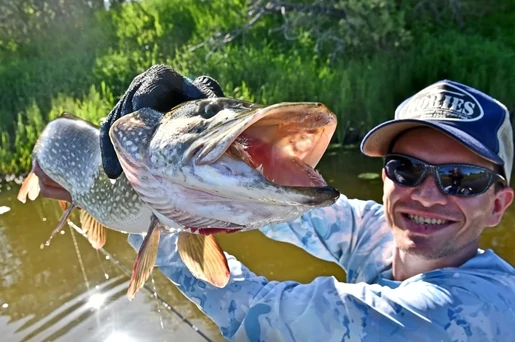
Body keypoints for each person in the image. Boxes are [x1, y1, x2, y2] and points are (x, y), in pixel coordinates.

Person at [34, 67, 515, 341]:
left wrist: (147, 209)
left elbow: (261, 311)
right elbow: (307, 212)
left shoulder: (481, 312)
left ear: (499, 205)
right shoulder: (383, 235)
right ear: (387, 177)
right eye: (406, 168)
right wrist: (187, 181)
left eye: (462, 179)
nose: (427, 194)